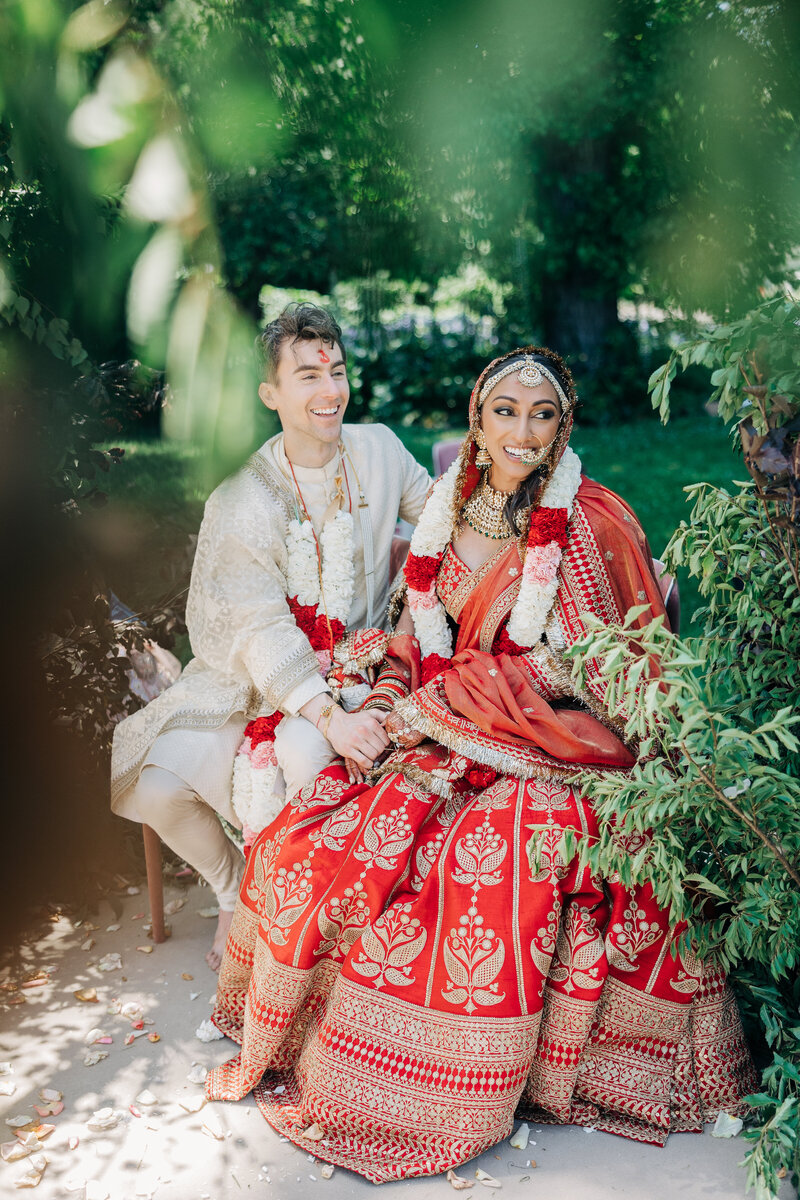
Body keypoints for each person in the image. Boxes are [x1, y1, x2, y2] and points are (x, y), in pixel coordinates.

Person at [205, 346, 756, 1180]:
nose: (523, 432)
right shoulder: (455, 508)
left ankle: (461, 1080)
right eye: (506, 412)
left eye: (542, 415)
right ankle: (317, 1033)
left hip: (559, 742)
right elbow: (411, 628)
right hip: (452, 724)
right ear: (478, 419)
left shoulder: (587, 520)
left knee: (485, 855)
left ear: (563, 424)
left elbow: (601, 667)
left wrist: (462, 696)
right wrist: (397, 696)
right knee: (318, 828)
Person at [110, 304, 431, 970]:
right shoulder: (244, 495)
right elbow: (257, 624)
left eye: (337, 372)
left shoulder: (378, 450)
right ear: (271, 394)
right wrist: (324, 715)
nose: (330, 391)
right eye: (309, 375)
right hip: (258, 675)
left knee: (304, 753)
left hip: (365, 663)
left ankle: (310, 931)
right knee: (160, 784)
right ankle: (236, 891)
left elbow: (440, 525)